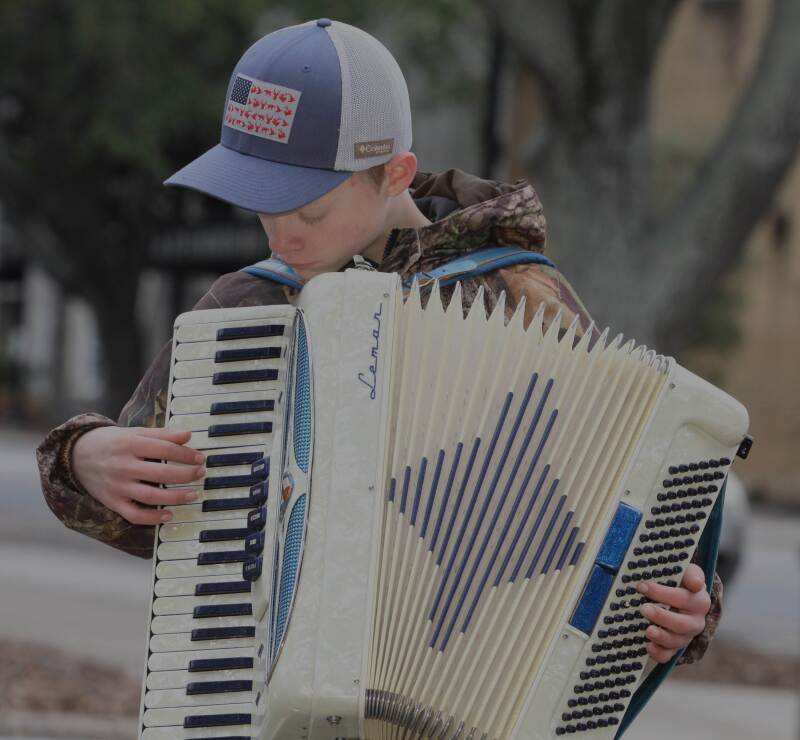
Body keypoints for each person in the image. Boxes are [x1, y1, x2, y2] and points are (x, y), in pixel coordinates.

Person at [36, 17, 718, 668]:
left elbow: (620, 503)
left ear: (394, 173)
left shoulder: (519, 300)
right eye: (262, 207)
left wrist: (687, 612)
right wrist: (82, 459)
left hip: (476, 692)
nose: (282, 237)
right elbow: (152, 513)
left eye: (310, 209)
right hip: (254, 689)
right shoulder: (244, 307)